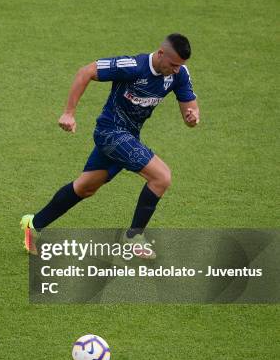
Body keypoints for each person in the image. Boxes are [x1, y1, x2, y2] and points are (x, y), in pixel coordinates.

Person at [21, 33, 200, 257]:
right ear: (161, 53)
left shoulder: (179, 74)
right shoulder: (132, 66)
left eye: (180, 66)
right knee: (161, 177)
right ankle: (134, 236)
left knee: (85, 187)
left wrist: (192, 118)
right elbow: (85, 72)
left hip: (130, 137)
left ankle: (34, 225)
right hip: (110, 132)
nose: (176, 70)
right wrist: (69, 113)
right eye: (173, 64)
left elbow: (190, 113)